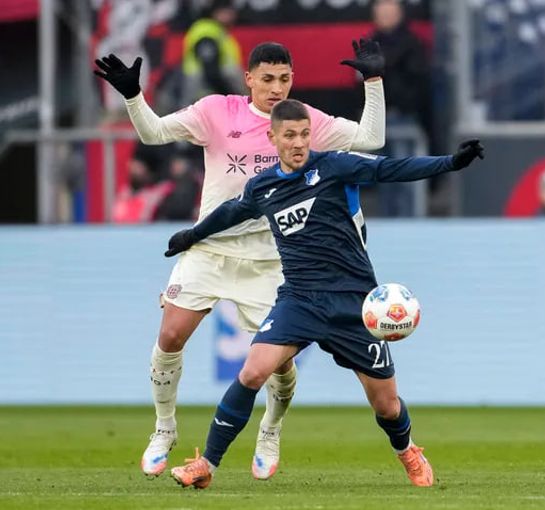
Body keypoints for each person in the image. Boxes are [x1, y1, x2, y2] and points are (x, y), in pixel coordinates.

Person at [93, 38, 386, 479]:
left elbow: (371, 139)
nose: (276, 88)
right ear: (249, 78)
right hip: (210, 248)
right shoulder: (216, 111)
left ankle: (271, 430)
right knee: (170, 334)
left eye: (284, 79)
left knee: (279, 364)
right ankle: (164, 428)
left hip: (270, 257)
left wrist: (373, 81)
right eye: (267, 79)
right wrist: (133, 96)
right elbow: (153, 133)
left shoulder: (303, 120)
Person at [164, 99, 485, 489]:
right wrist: (192, 235)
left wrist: (451, 163)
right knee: (252, 372)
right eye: (289, 135)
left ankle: (407, 451)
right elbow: (233, 211)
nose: (298, 143)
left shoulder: (334, 166)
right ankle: (207, 465)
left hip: (354, 304)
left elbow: (389, 169)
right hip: (299, 300)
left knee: (386, 405)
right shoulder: (263, 187)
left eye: (304, 134)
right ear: (272, 138)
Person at [369, 0, 433, 216]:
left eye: (389, 13)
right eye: (381, 13)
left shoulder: (411, 43)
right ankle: (388, 220)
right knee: (383, 176)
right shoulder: (370, 45)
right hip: (378, 118)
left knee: (404, 174)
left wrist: (403, 103)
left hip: (403, 117)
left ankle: (409, 221)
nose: (385, 17)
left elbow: (419, 82)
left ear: (399, 14)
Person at [180, 0, 245, 106]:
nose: (231, 15)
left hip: (209, 96)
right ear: (216, 13)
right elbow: (211, 72)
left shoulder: (219, 31)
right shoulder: (206, 32)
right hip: (203, 94)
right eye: (227, 12)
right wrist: (232, 98)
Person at [112, 144, 174, 223]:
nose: (132, 169)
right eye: (132, 164)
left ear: (149, 171)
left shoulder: (161, 193)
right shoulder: (125, 193)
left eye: (138, 166)